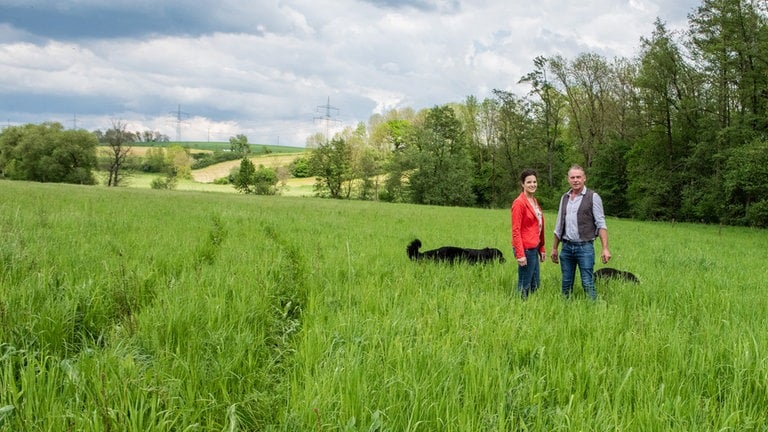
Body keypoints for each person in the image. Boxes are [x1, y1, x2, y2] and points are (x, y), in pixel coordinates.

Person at [550, 165, 611, 300]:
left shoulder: (593, 197)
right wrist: (554, 248)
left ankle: (593, 309)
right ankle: (565, 310)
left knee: (587, 282)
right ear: (568, 179)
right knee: (566, 283)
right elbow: (559, 225)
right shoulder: (564, 198)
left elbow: (601, 224)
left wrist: (605, 248)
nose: (575, 180)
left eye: (578, 177)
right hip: (566, 247)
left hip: (585, 247)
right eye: (572, 177)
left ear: (584, 178)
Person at [511, 169, 546, 299]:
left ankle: (530, 307)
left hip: (534, 247)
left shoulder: (534, 201)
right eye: (529, 182)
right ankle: (520, 308)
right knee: (524, 285)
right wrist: (520, 254)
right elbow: (516, 230)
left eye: (534, 182)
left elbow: (539, 226)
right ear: (522, 184)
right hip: (525, 249)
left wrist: (541, 248)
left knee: (535, 284)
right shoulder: (519, 203)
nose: (532, 184)